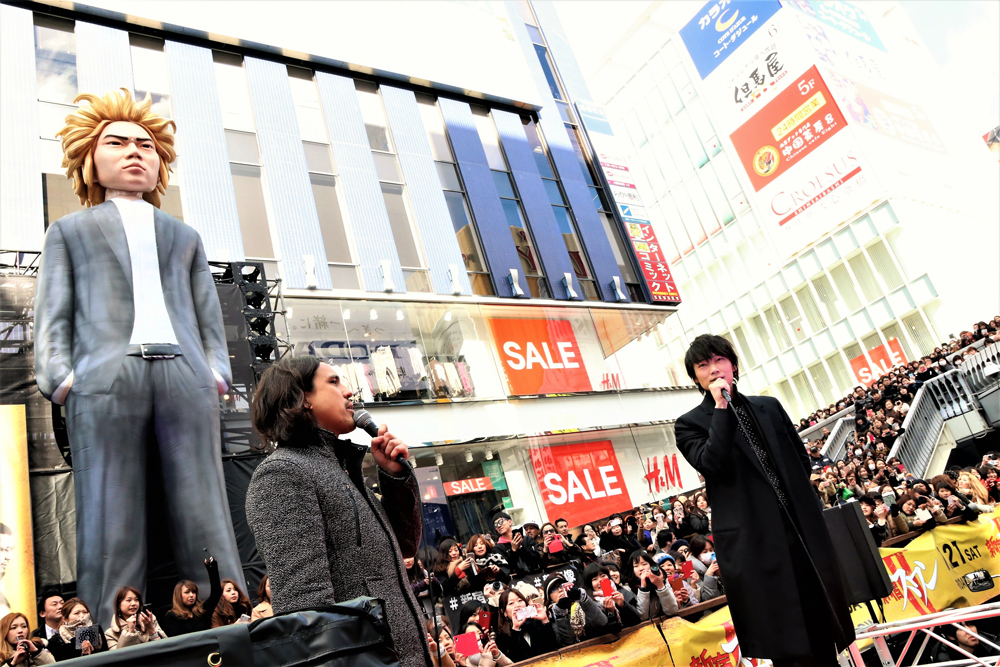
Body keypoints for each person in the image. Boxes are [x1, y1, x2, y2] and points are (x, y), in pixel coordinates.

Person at [34, 89, 243, 629]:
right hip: (106, 378)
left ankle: (230, 614)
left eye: (146, 145)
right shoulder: (69, 231)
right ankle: (107, 630)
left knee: (205, 509)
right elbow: (52, 312)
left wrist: (215, 372)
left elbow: (207, 315)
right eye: (117, 142)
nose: (134, 152)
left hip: (185, 374)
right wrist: (61, 379)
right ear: (90, 159)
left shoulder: (184, 236)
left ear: (160, 162)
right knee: (109, 515)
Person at [675, 335, 854, 667]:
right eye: (703, 365)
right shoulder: (689, 424)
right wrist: (721, 408)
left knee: (821, 626)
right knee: (788, 641)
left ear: (734, 365)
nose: (713, 369)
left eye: (719, 361)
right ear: (696, 378)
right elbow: (711, 462)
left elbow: (800, 460)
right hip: (757, 542)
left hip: (800, 530)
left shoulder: (767, 406)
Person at [245, 356, 431, 667]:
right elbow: (305, 609)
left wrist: (395, 478)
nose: (349, 392)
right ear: (302, 398)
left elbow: (406, 547)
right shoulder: (282, 474)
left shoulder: (340, 470)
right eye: (334, 382)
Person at [543, 574, 617, 646]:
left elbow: (601, 622)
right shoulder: (550, 616)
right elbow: (568, 642)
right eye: (554, 589)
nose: (559, 590)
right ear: (549, 597)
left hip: (600, 647)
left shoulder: (584, 602)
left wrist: (583, 599)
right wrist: (561, 614)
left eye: (561, 585)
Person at [160, 556, 222, 636]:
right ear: (179, 595)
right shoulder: (172, 616)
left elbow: (216, 593)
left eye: (194, 592)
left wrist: (212, 569)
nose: (191, 595)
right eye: (187, 592)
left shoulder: (201, 611)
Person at [494, 589, 558, 663]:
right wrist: (516, 629)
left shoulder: (537, 624)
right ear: (504, 612)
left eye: (520, 600)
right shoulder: (501, 637)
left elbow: (554, 648)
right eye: (511, 603)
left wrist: (545, 621)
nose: (517, 605)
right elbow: (514, 660)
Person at [626, 552, 679, 620]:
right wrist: (643, 587)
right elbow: (642, 617)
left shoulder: (662, 580)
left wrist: (660, 586)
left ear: (651, 566)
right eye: (636, 566)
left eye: (644, 564)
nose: (641, 568)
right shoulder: (628, 588)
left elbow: (672, 611)